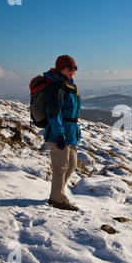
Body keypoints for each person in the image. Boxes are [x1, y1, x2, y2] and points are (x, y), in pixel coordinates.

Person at [43, 55, 81, 211]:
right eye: (70, 68)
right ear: (61, 69)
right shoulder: (56, 86)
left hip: (70, 132)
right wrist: (59, 134)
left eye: (75, 68)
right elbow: (53, 112)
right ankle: (57, 199)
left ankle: (57, 193)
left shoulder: (69, 86)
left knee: (71, 165)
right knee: (61, 167)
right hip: (59, 133)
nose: (73, 71)